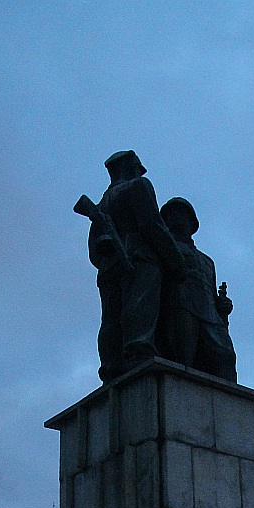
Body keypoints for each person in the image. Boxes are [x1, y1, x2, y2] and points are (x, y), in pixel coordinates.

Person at [87, 150, 185, 382]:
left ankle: (110, 364)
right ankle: (137, 352)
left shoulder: (102, 204)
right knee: (139, 305)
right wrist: (175, 260)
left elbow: (93, 249)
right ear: (129, 167)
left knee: (111, 316)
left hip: (110, 265)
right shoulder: (138, 186)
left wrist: (106, 252)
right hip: (140, 256)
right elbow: (152, 224)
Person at [158, 197, 237, 383]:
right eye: (171, 215)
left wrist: (223, 306)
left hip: (210, 316)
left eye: (181, 214)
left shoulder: (207, 261)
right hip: (179, 308)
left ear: (191, 222)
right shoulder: (162, 249)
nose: (177, 218)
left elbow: (211, 293)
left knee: (225, 356)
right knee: (182, 360)